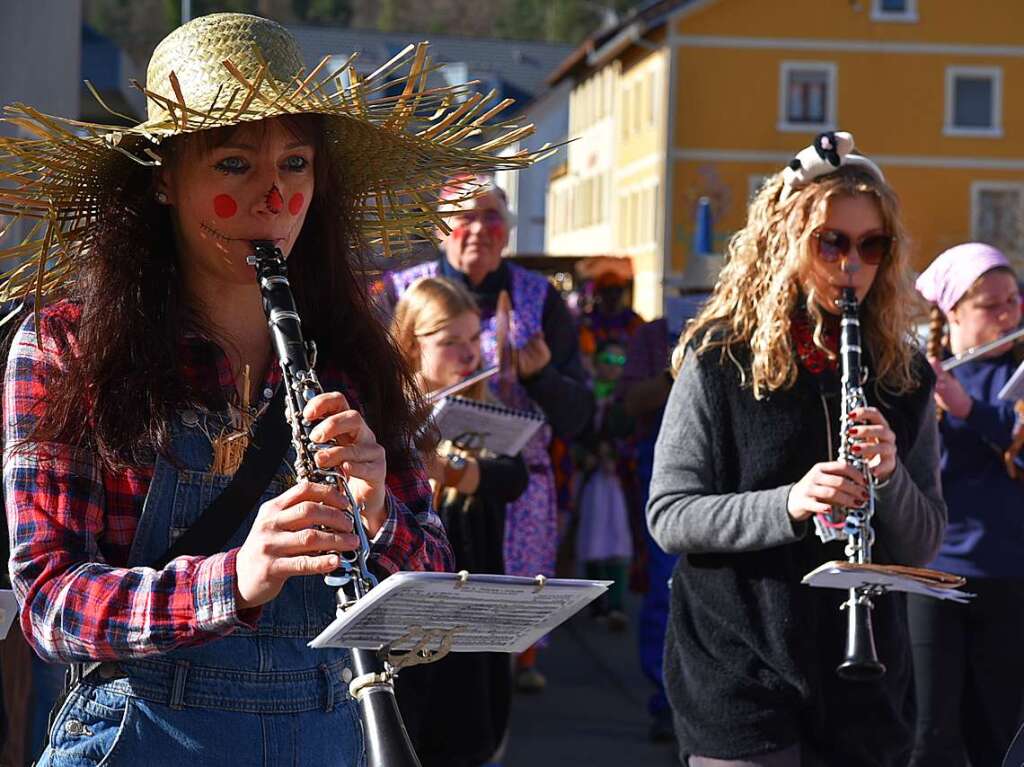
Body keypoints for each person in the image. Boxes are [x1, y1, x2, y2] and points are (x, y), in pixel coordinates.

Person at [0, 13, 533, 766]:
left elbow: (431, 586)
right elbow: (50, 602)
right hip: (141, 734)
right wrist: (234, 578)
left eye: (295, 164)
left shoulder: (352, 353)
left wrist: (380, 510)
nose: (274, 197)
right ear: (163, 179)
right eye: (233, 164)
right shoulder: (66, 346)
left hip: (324, 731)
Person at [646, 131, 946, 767]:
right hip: (740, 670)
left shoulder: (906, 374)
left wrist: (890, 476)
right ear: (788, 243)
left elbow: (922, 543)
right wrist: (791, 502)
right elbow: (670, 514)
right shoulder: (722, 357)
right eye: (831, 242)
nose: (851, 265)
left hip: (866, 688)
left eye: (872, 245)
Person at [383, 175, 594, 690]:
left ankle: (498, 699)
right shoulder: (397, 291)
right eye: (464, 215)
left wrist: (540, 376)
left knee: (491, 634)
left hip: (509, 484)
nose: (478, 227)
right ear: (441, 228)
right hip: (418, 486)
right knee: (423, 638)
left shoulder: (538, 297)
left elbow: (581, 414)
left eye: (492, 216)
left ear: (507, 231)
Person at [390, 276, 528, 767]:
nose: (469, 355)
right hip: (409, 615)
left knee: (469, 734)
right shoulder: (386, 416)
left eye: (475, 339)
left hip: (473, 606)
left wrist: (452, 469)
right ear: (411, 344)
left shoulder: (484, 409)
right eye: (451, 342)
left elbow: (512, 478)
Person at [911, 243, 1024, 767]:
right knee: (928, 729)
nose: (1009, 314)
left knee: (998, 729)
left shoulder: (1016, 376)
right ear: (953, 312)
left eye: (1014, 301)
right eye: (991, 305)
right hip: (932, 575)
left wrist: (967, 408)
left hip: (1009, 574)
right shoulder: (918, 374)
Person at [616, 315, 677, 743]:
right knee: (666, 583)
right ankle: (666, 698)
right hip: (663, 464)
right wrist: (674, 373)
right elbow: (629, 402)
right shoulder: (653, 335)